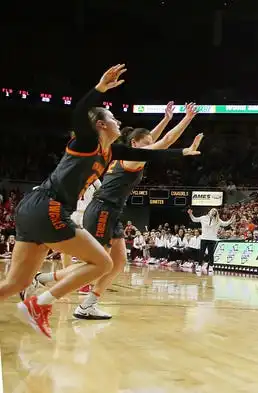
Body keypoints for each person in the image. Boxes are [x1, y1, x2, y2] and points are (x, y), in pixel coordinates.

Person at [0, 65, 202, 339]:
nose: (118, 121)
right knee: (103, 263)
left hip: (33, 208)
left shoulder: (113, 151)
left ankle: (40, 295)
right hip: (48, 206)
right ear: (100, 124)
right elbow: (78, 113)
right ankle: (41, 303)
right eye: (113, 118)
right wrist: (99, 89)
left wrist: (183, 151)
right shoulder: (86, 142)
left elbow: (154, 153)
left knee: (17, 282)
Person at [25, 103, 201, 320]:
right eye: (146, 143)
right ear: (135, 143)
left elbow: (155, 139)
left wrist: (166, 119)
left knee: (118, 263)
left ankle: (88, 304)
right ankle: (42, 279)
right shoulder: (132, 158)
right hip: (102, 209)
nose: (151, 144)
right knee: (97, 264)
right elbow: (165, 142)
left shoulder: (128, 153)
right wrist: (188, 118)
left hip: (112, 212)